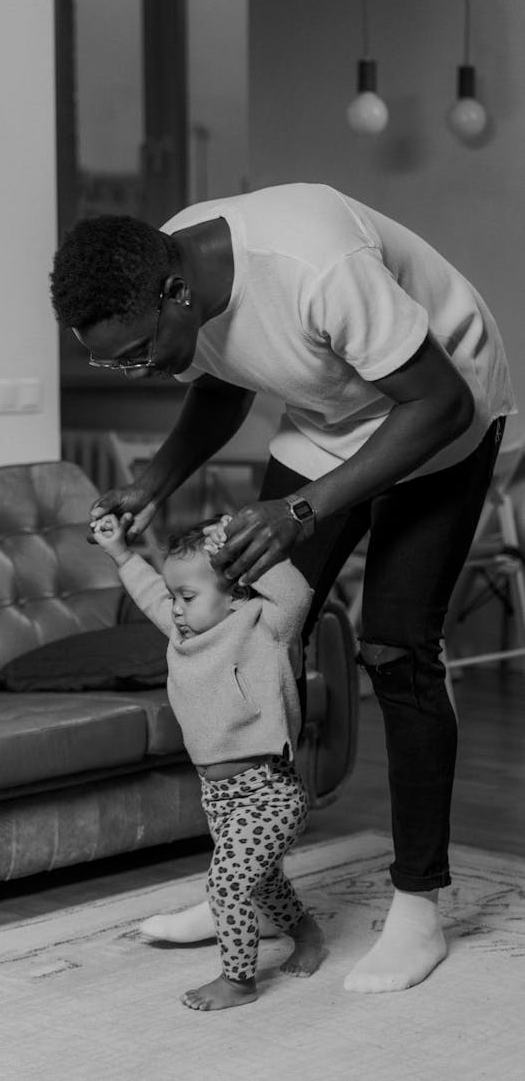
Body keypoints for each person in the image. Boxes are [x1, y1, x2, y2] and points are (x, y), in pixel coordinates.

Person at [50, 182, 516, 993]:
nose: (132, 368)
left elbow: (439, 401)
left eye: (133, 352)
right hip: (333, 413)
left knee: (395, 646)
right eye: (109, 360)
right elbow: (225, 379)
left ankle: (418, 907)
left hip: (443, 409)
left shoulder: (315, 263)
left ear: (174, 294)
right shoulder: (167, 261)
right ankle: (250, 881)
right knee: (248, 623)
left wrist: (303, 509)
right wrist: (155, 483)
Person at [91, 510, 325, 1011]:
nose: (175, 608)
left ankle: (238, 980)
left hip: (270, 791)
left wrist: (240, 551)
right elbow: (152, 592)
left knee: (226, 886)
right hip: (219, 796)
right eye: (175, 597)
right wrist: (122, 554)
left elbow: (297, 594)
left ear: (236, 591)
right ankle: (308, 934)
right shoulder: (184, 635)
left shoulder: (267, 628)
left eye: (188, 596)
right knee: (262, 885)